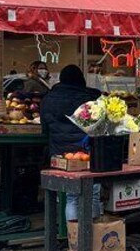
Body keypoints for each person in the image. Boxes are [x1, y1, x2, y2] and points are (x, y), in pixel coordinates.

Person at [40, 65, 102, 221]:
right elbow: (99, 127)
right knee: (92, 193)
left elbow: (45, 129)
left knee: (71, 196)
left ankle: (73, 238)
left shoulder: (48, 99)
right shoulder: (90, 99)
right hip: (87, 154)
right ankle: (91, 234)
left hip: (61, 155)